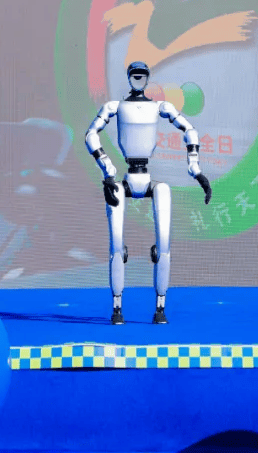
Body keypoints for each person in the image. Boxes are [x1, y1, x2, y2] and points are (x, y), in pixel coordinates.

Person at [85, 61, 211, 324]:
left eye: (142, 75)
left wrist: (195, 169)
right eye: (135, 75)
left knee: (164, 243)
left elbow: (190, 130)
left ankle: (160, 307)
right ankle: (117, 308)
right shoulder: (115, 106)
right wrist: (108, 171)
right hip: (124, 179)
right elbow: (91, 135)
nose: (138, 79)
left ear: (147, 78)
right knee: (116, 245)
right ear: (130, 77)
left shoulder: (159, 106)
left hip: (148, 178)